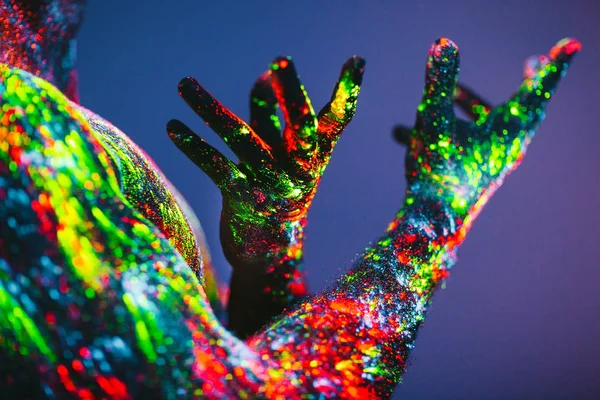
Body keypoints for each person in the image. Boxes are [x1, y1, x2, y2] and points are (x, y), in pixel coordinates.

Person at [0, 1, 580, 398]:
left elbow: (227, 354)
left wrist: (268, 253)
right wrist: (436, 214)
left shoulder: (41, 113)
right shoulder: (15, 132)